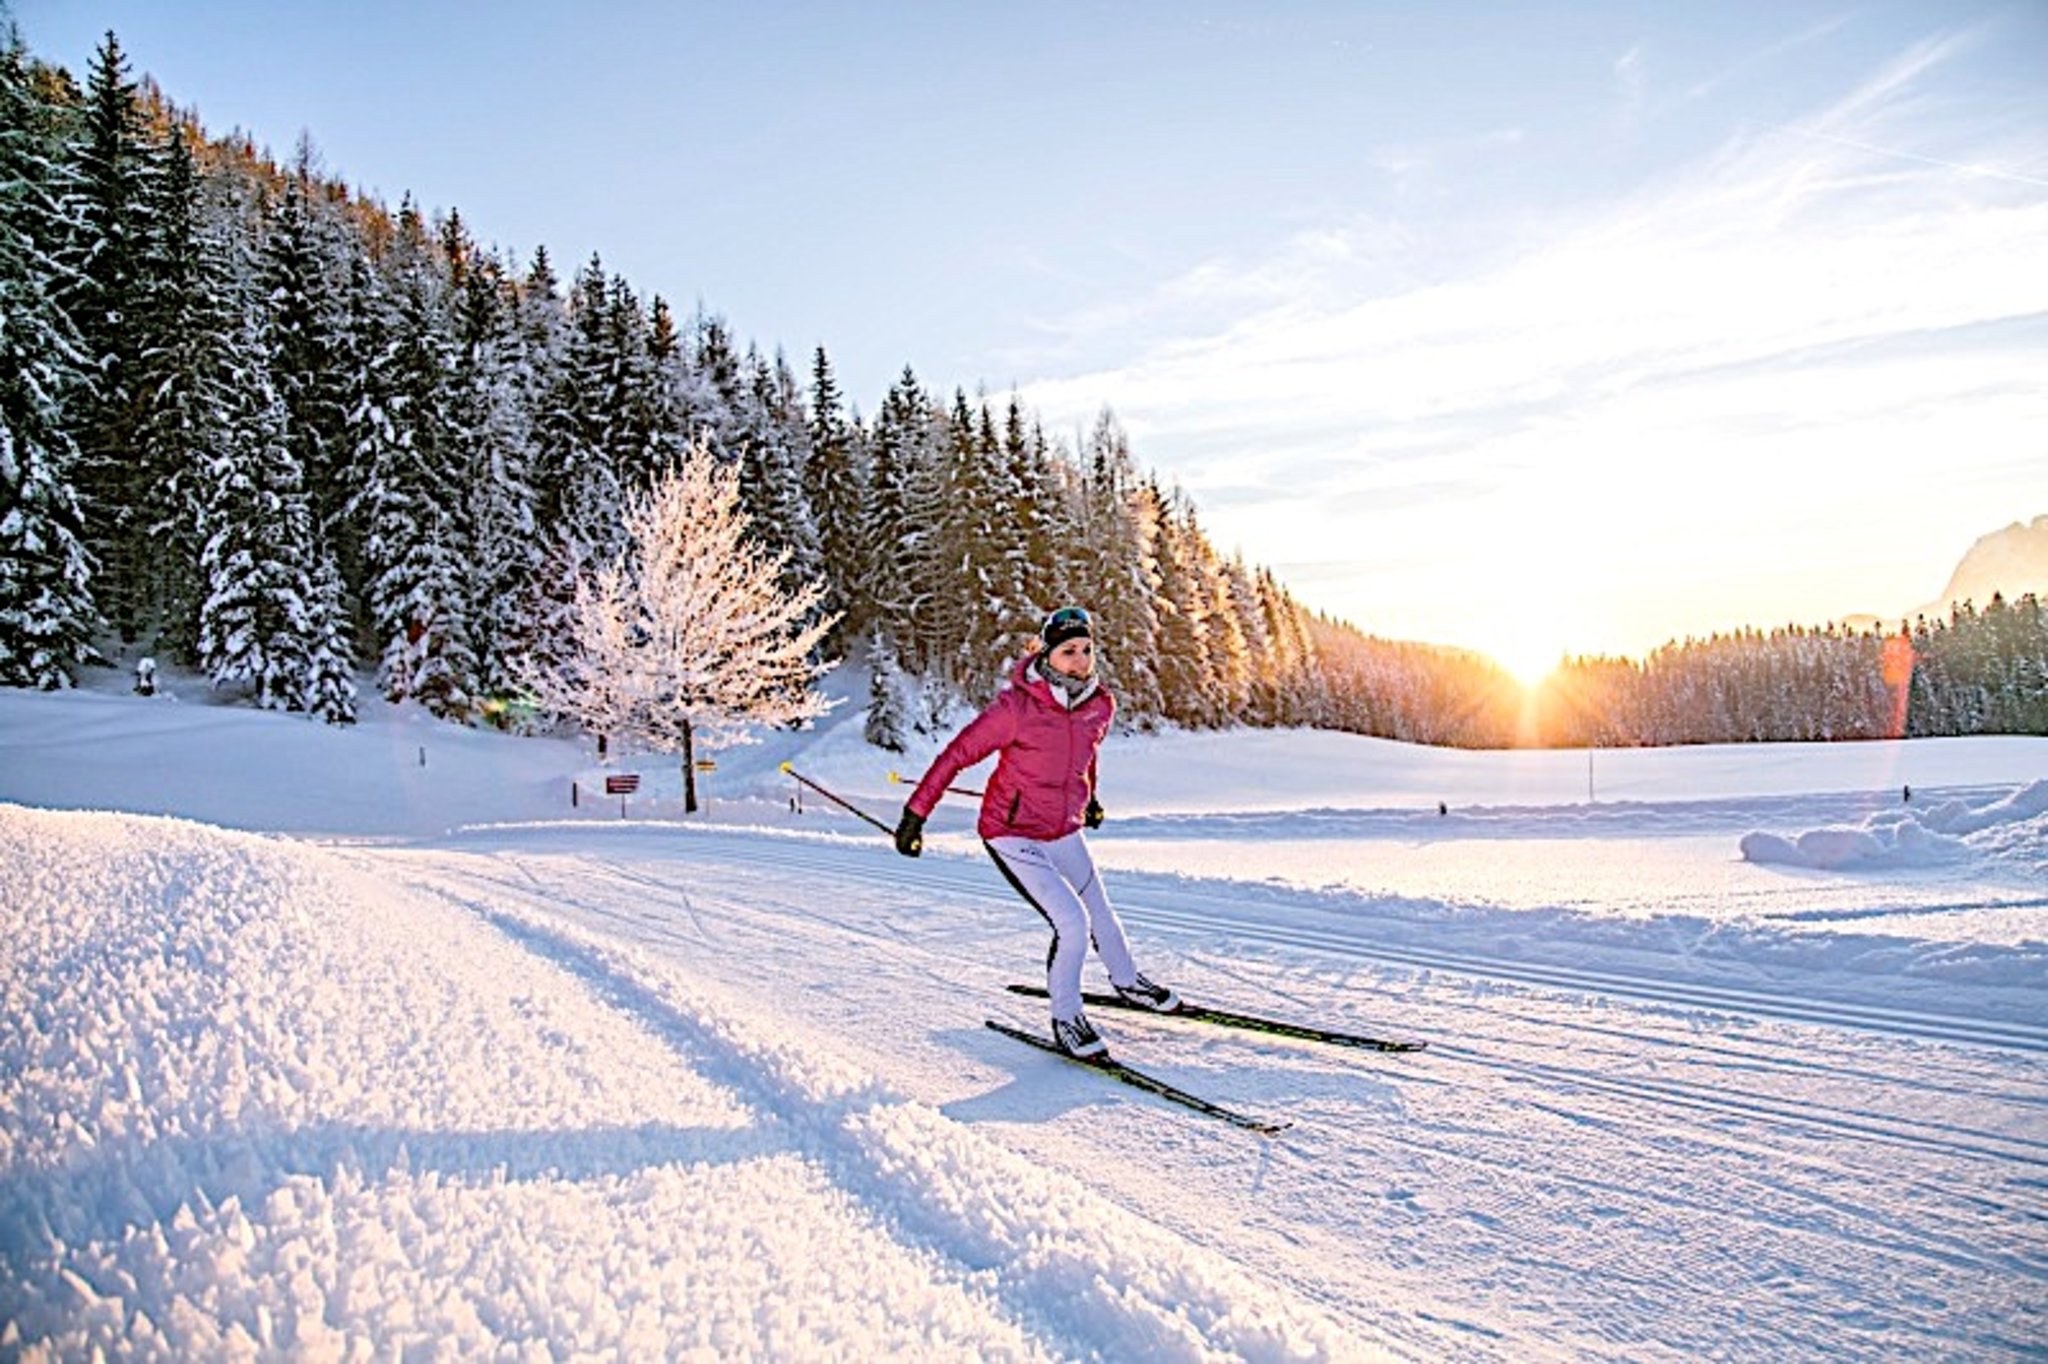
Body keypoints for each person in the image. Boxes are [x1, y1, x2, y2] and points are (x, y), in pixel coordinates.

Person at [894, 605, 1178, 1058]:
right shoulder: (1016, 708)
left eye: (1086, 650)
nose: (1080, 661)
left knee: (1101, 911)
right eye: (1069, 652)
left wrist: (1090, 798)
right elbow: (956, 755)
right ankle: (1066, 1018)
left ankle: (1128, 982)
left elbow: (1085, 755)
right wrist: (916, 814)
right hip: (1011, 831)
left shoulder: (1099, 704)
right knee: (1072, 922)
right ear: (1047, 655)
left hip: (1062, 827)